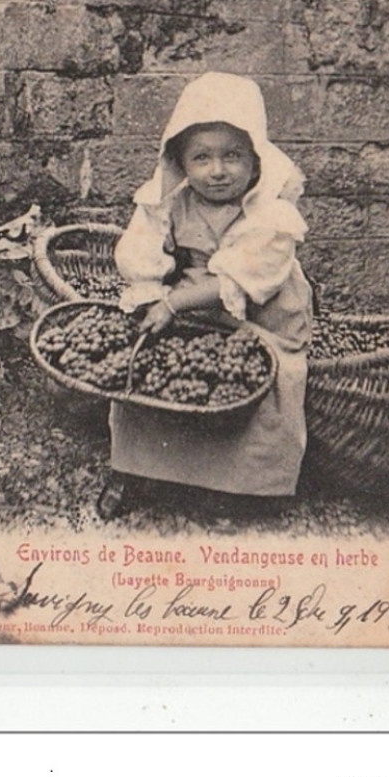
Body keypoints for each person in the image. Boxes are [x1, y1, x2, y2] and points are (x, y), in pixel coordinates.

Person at [97, 71, 313, 519]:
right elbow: (142, 251)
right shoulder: (170, 202)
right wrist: (152, 292)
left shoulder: (270, 215)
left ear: (256, 159)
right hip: (194, 307)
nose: (217, 171)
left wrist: (173, 303)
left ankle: (243, 489)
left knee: (265, 380)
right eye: (201, 158)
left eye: (232, 156)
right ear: (180, 162)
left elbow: (246, 277)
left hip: (261, 315)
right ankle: (134, 471)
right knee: (146, 366)